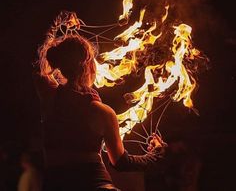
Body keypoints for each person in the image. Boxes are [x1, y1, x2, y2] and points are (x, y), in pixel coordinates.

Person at [34, 34, 167, 191]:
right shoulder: (101, 112)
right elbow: (121, 162)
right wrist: (155, 155)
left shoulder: (49, 97)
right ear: (88, 66)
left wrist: (56, 23)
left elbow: (38, 62)